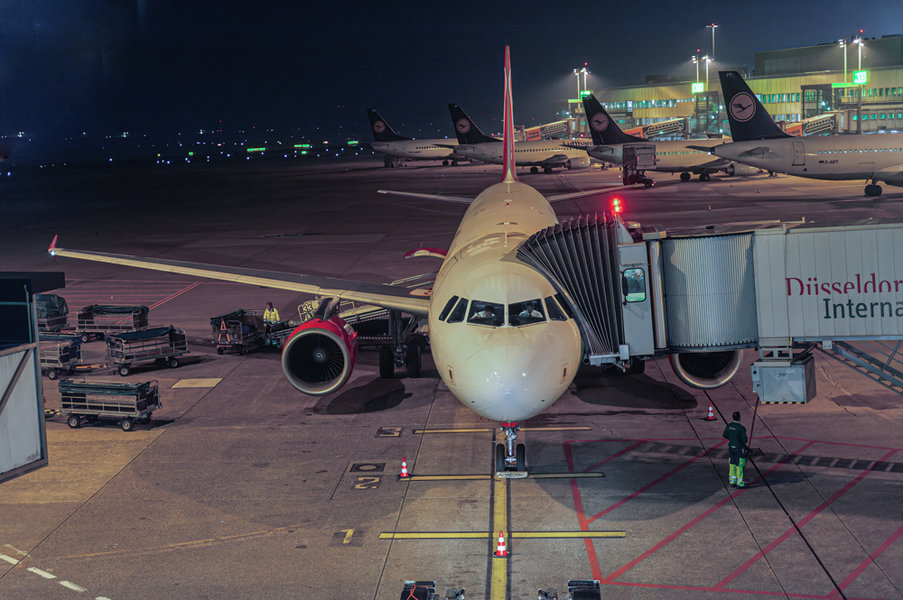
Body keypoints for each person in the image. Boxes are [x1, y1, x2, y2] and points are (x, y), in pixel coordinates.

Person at [722, 411, 748, 488]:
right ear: (739, 418)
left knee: (732, 464)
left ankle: (732, 481)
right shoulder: (741, 428)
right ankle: (739, 482)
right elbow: (744, 440)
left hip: (731, 448)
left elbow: (724, 435)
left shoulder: (729, 426)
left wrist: (732, 439)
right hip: (739, 448)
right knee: (739, 465)